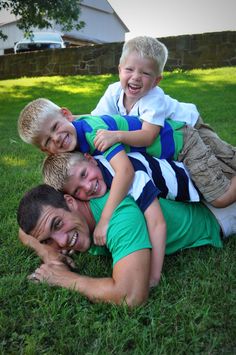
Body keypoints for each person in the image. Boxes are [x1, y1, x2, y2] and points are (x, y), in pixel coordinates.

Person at [17, 184, 236, 307]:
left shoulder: (118, 218)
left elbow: (130, 296)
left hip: (219, 210)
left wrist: (63, 278)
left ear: (71, 202)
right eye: (49, 239)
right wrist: (49, 254)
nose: (62, 242)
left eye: (58, 224)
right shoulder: (61, 209)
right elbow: (25, 232)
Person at [18, 98, 236, 212]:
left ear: (67, 115)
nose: (56, 138)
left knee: (219, 197)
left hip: (181, 142)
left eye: (56, 126)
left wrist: (105, 217)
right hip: (174, 146)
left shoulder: (95, 135)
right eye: (48, 140)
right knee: (229, 161)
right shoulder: (74, 138)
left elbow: (125, 172)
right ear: (45, 150)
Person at [42, 151, 200, 286]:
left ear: (91, 159)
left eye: (84, 174)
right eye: (77, 190)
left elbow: (157, 224)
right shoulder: (97, 175)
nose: (88, 187)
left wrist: (153, 275)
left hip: (196, 184)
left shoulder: (131, 177)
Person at [91, 35, 236, 176]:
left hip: (191, 125)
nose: (135, 77)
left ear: (156, 81)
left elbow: (148, 136)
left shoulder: (154, 97)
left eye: (145, 73)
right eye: (129, 69)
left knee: (223, 154)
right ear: (119, 70)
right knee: (212, 164)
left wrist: (117, 136)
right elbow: (96, 118)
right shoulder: (113, 91)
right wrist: (73, 118)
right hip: (179, 137)